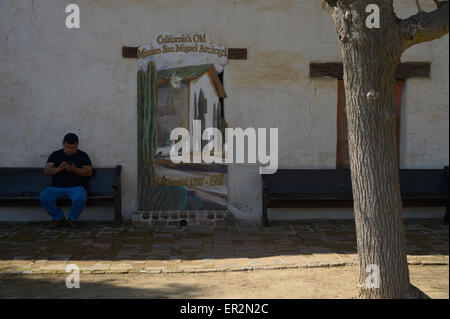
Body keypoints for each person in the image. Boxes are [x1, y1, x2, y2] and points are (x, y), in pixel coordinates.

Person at [39, 133, 93, 229]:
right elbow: (46, 171)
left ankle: (72, 219)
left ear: (77, 144)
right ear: (63, 143)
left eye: (73, 147)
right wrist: (59, 168)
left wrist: (74, 169)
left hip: (76, 187)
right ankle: (58, 218)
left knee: (81, 197)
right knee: (44, 197)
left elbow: (88, 172)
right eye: (68, 147)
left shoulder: (83, 155)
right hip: (56, 187)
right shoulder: (55, 155)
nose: (71, 150)